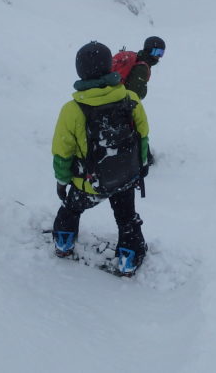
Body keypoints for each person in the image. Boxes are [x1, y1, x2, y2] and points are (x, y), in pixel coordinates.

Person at [51, 41, 150, 275]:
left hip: (88, 182)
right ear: (110, 67)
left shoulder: (72, 110)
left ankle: (64, 243)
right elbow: (143, 138)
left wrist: (62, 181)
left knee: (71, 209)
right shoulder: (131, 98)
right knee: (127, 218)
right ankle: (129, 258)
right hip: (125, 177)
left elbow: (62, 152)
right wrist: (141, 167)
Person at [121, 35, 166, 100]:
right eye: (157, 52)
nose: (159, 56)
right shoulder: (142, 68)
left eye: (161, 53)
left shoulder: (139, 58)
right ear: (149, 50)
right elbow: (133, 95)